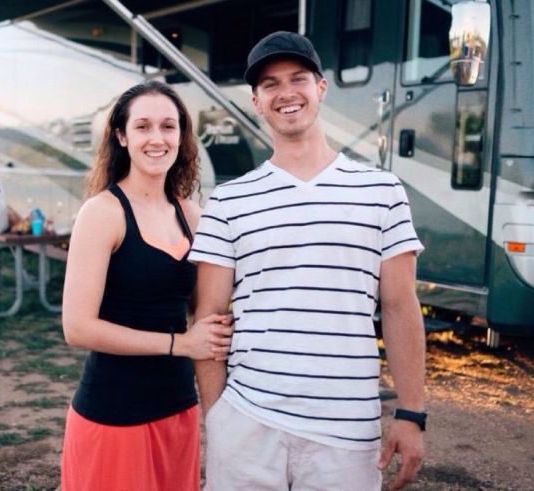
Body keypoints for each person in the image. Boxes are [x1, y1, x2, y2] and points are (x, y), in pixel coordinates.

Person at [189, 31, 426, 490]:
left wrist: (412, 412)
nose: (286, 93)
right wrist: (219, 416)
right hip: (247, 422)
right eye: (270, 85)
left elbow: (400, 306)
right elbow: (210, 317)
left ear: (320, 88)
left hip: (346, 429)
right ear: (257, 102)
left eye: (297, 78)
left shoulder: (382, 192)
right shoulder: (228, 201)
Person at [60, 80, 233, 491]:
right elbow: (77, 327)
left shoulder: (192, 215)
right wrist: (180, 344)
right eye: (143, 127)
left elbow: (207, 308)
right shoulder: (102, 213)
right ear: (121, 136)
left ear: (181, 136)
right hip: (115, 413)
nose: (157, 138)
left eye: (168, 126)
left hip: (178, 408)